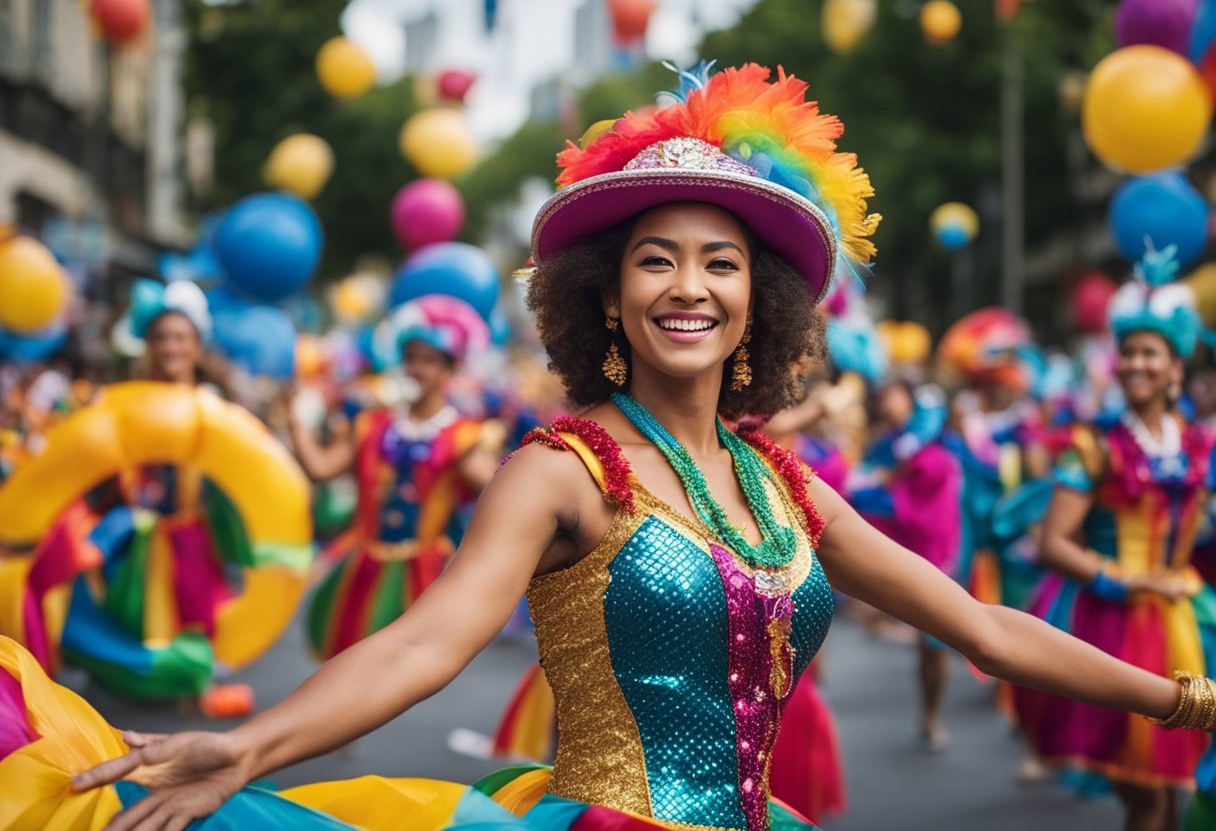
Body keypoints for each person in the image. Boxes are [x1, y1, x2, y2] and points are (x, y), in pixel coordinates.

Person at [5, 63, 1207, 831]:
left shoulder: (786, 488)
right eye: (655, 258)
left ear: (761, 305)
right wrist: (251, 743)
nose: (688, 285)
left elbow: (989, 630)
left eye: (720, 261)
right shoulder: (562, 467)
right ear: (608, 296)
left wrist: (1190, 698)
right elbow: (426, 640)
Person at [0, 279, 307, 717]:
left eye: (180, 337)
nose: (170, 347)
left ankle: (183, 683)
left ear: (197, 345)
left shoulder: (214, 404)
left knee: (191, 616)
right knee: (123, 609)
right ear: (148, 344)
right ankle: (130, 681)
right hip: (133, 528)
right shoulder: (125, 399)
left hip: (187, 532)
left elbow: (252, 469)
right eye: (161, 337)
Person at [1015, 248, 1216, 831]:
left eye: (1150, 353)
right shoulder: (1094, 445)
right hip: (1118, 628)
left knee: (1180, 790)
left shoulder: (1200, 446)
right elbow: (1054, 543)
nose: (1135, 364)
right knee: (1145, 796)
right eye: (1127, 352)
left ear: (1176, 367)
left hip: (1193, 618)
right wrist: (1128, 579)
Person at [287, 294, 501, 659]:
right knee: (351, 665)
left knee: (404, 671)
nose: (416, 368)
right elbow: (321, 468)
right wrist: (297, 422)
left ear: (450, 371)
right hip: (365, 567)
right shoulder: (372, 424)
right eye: (411, 358)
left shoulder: (461, 437)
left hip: (425, 575)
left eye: (429, 361)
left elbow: (504, 493)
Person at [847, 379, 961, 750]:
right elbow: (859, 483)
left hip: (936, 543)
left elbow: (954, 472)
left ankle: (932, 715)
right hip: (902, 543)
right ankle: (928, 713)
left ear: (910, 398)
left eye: (892, 394)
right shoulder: (885, 442)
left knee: (934, 643)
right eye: (882, 396)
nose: (886, 402)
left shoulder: (936, 435)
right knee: (926, 639)